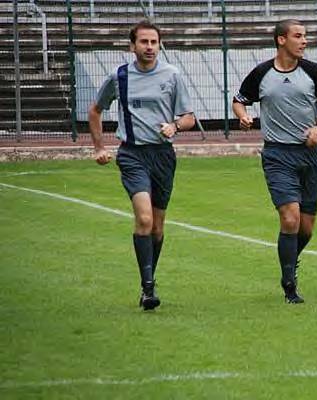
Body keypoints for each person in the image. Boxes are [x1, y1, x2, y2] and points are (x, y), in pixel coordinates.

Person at [232, 19, 317, 304]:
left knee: (306, 228)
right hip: (277, 155)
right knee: (290, 217)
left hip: (309, 156)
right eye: (298, 36)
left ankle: (290, 259)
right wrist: (243, 116)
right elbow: (239, 99)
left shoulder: (313, 72)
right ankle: (289, 284)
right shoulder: (261, 73)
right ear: (281, 40)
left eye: (305, 36)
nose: (304, 41)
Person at [88, 20, 196, 310]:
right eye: (144, 42)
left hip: (163, 156)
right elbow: (96, 110)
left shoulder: (172, 75)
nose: (149, 47)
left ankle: (150, 278)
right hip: (132, 155)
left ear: (160, 45)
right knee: (145, 219)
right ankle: (148, 289)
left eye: (154, 42)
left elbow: (189, 117)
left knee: (158, 227)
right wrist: (99, 148)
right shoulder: (119, 76)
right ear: (132, 45)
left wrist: (174, 126)